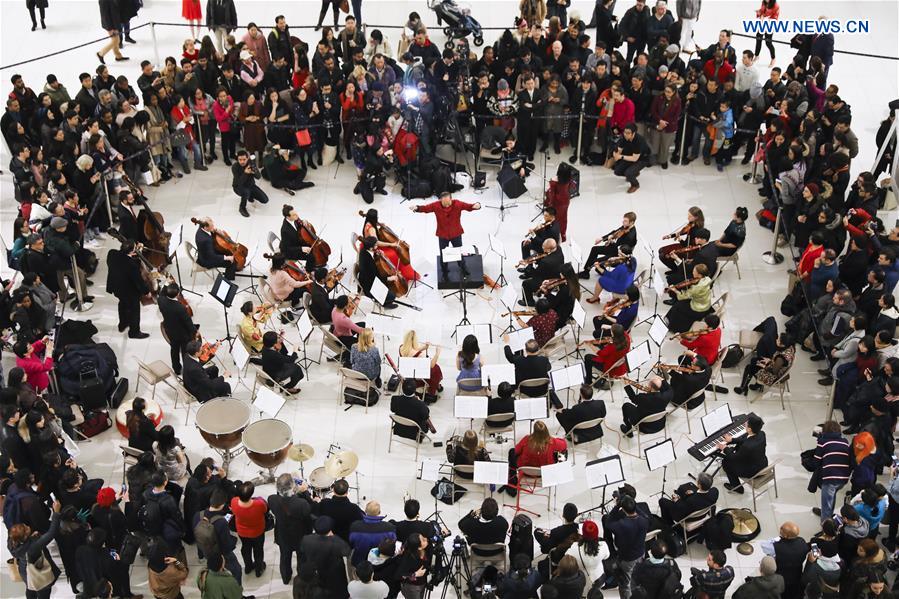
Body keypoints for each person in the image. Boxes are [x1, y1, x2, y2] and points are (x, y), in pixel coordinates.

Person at [409, 192, 482, 276]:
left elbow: (469, 207)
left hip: (456, 234)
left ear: (451, 199)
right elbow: (425, 208)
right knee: (443, 253)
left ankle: (462, 267)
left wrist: (477, 205)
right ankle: (444, 269)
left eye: (448, 203)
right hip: (442, 234)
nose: (447, 205)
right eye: (444, 203)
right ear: (440, 200)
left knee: (458, 252)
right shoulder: (436, 205)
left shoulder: (458, 203)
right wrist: (417, 208)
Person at [9, 499, 62, 599]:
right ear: (25, 536)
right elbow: (51, 533)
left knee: (30, 589)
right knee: (43, 593)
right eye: (26, 528)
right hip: (38, 575)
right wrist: (56, 513)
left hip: (25, 572)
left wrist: (32, 537)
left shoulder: (12, 543)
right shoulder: (34, 546)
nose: (28, 526)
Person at [267, 474, 311, 585]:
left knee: (285, 557)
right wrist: (304, 492)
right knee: (301, 558)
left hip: (283, 535)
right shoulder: (302, 503)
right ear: (293, 487)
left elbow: (280, 497)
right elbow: (308, 518)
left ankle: (286, 578)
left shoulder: (272, 499)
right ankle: (301, 577)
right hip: (299, 535)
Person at [503, 421, 567, 495]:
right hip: (543, 473)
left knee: (512, 451)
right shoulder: (552, 442)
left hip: (525, 471)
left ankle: (512, 479)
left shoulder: (527, 439)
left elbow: (516, 450)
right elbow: (564, 444)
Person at [105, 239, 150, 338]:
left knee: (122, 304)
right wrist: (147, 292)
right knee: (134, 311)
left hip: (116, 287)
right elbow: (138, 281)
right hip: (129, 291)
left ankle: (123, 324)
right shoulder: (132, 265)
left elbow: (121, 262)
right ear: (132, 251)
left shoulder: (112, 253)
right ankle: (134, 332)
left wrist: (134, 253)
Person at [607, 495, 648, 599]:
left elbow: (608, 523)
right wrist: (633, 504)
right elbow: (643, 514)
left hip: (627, 558)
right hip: (640, 553)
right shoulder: (644, 520)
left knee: (625, 583)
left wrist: (617, 506)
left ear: (623, 510)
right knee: (636, 575)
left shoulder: (622, 524)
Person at [300, 516, 352, 596]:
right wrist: (333, 537)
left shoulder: (306, 539)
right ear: (330, 529)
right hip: (334, 572)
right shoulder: (336, 541)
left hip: (316, 570)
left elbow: (303, 550)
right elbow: (347, 551)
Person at [503, 337, 562, 409]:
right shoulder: (543, 360)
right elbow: (549, 368)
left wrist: (506, 343)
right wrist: (546, 355)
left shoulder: (519, 360)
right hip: (542, 390)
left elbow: (510, 356)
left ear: (525, 350)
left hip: (525, 391)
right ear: (538, 349)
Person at [812, 421, 852, 520]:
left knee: (827, 504)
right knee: (831, 497)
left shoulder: (823, 442)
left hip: (830, 477)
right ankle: (827, 514)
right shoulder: (845, 441)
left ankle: (826, 529)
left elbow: (816, 461)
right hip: (843, 478)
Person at [720, 413, 768, 492]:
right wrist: (732, 440)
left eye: (746, 424)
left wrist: (725, 448)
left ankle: (737, 488)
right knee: (731, 456)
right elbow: (748, 440)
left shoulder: (747, 447)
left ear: (749, 429)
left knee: (726, 462)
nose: (745, 423)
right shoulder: (761, 434)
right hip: (762, 463)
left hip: (753, 471)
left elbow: (734, 457)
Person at [229, 481, 267, 578]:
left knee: (245, 548)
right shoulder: (259, 504)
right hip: (257, 532)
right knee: (258, 550)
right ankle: (259, 569)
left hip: (242, 532)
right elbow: (265, 510)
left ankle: (248, 567)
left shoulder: (234, 501)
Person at [348, 500, 396, 567]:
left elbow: (351, 543)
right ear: (379, 512)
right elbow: (392, 545)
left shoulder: (355, 526)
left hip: (359, 563)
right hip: (380, 564)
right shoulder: (389, 528)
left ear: (365, 511)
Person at [356, 236, 399, 309]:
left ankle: (385, 297)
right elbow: (375, 276)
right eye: (375, 245)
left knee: (391, 293)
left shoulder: (364, 250)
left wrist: (378, 254)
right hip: (369, 284)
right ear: (371, 248)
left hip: (367, 277)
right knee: (392, 297)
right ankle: (385, 303)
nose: (377, 246)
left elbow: (373, 264)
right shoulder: (368, 260)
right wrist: (389, 278)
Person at [398, 330, 442, 399]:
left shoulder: (401, 348)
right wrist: (437, 353)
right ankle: (433, 389)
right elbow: (431, 365)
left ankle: (436, 386)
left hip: (407, 371)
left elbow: (413, 351)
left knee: (435, 368)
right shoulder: (420, 355)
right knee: (436, 368)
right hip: (417, 375)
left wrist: (424, 347)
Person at [611, 123, 650, 193]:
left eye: (628, 133)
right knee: (617, 171)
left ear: (633, 133)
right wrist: (616, 154)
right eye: (625, 132)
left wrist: (620, 157)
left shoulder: (638, 141)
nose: (625, 134)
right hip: (630, 155)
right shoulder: (624, 137)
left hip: (642, 159)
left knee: (628, 173)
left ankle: (635, 185)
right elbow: (619, 149)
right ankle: (634, 173)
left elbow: (635, 159)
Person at [232, 150, 268, 218]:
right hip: (238, 187)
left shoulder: (251, 164)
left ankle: (250, 196)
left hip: (251, 185)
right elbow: (239, 183)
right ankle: (242, 208)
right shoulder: (235, 167)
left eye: (244, 159)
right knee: (246, 192)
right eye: (240, 159)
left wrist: (254, 171)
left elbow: (258, 177)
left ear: (247, 158)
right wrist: (245, 173)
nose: (242, 161)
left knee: (265, 200)